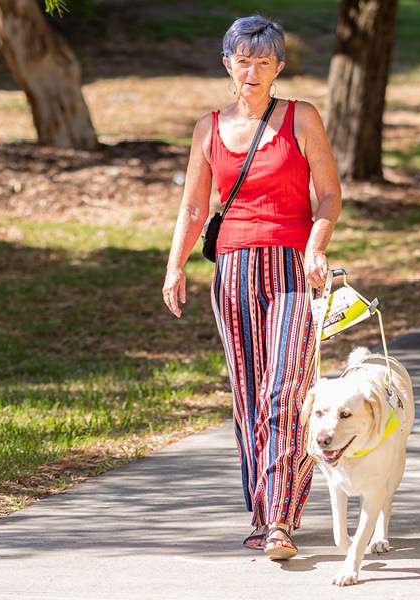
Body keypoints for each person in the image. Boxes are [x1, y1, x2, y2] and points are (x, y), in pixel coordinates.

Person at [162, 14, 342, 561]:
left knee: (284, 390)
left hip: (290, 266)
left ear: (279, 67)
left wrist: (315, 247)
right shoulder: (207, 129)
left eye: (264, 61)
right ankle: (265, 516)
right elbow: (195, 206)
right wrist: (174, 267)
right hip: (233, 274)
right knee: (247, 398)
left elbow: (329, 197)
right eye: (243, 60)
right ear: (227, 64)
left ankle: (282, 519)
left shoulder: (301, 118)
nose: (253, 71)